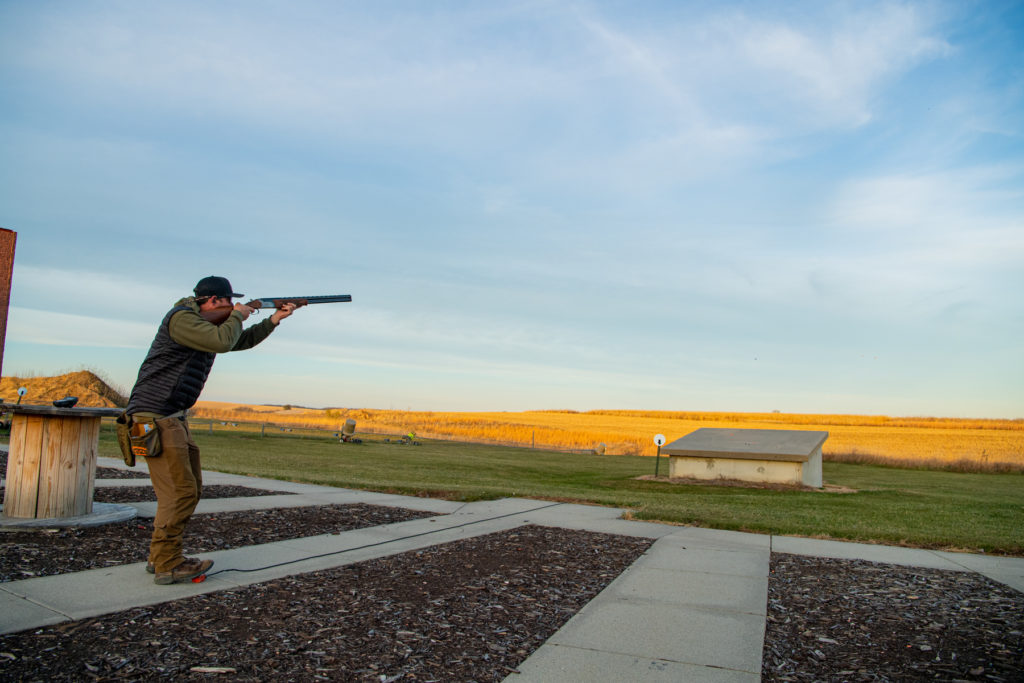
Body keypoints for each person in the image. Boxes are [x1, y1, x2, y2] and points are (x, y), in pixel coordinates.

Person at [125, 276, 297, 585]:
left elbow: (235, 342)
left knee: (188, 490)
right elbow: (223, 340)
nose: (233, 307)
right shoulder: (181, 319)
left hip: (171, 416)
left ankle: (159, 557)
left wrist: (273, 319)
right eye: (229, 302)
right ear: (215, 301)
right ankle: (168, 563)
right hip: (157, 416)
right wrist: (240, 314)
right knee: (180, 493)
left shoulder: (201, 325)